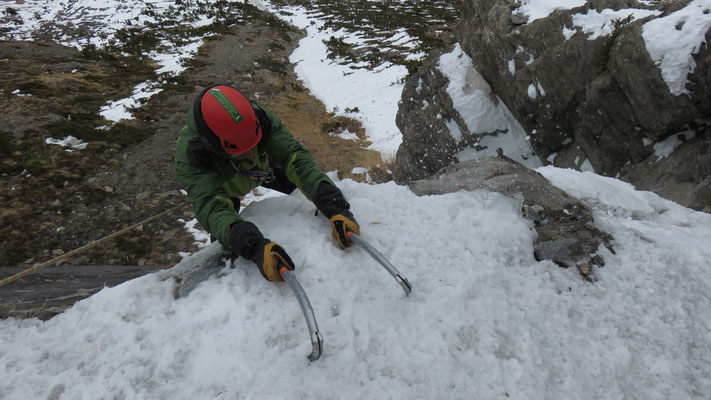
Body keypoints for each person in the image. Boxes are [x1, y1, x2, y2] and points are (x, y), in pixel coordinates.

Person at [175, 84, 360, 282]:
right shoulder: (192, 156)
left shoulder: (260, 119)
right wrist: (253, 246)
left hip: (265, 168)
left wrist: (334, 205)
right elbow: (211, 207)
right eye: (240, 151)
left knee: (299, 184)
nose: (248, 154)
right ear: (213, 145)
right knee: (228, 238)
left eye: (253, 145)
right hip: (225, 188)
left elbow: (295, 158)